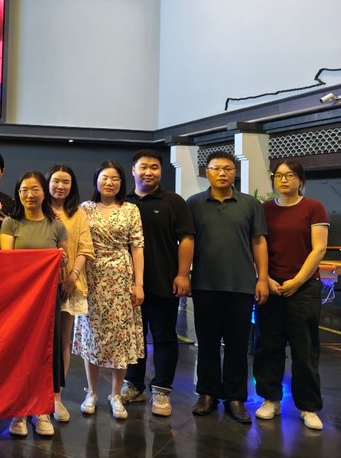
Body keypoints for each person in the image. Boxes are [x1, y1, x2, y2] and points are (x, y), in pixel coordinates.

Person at [186, 150, 268, 424]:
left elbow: (259, 242)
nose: (222, 173)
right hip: (205, 285)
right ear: (206, 172)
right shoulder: (194, 204)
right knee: (207, 343)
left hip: (241, 285)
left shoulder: (250, 204)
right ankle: (207, 393)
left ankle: (235, 397)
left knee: (237, 345)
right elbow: (186, 242)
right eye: (216, 168)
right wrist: (184, 275)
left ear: (235, 172)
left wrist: (263, 278)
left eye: (228, 168)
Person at [253, 159, 328, 431]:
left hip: (304, 288)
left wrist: (297, 281)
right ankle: (270, 399)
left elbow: (319, 249)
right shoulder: (264, 210)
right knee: (268, 346)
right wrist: (266, 279)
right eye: (278, 175)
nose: (283, 180)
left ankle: (309, 406)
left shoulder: (313, 207)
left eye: (289, 175)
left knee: (304, 349)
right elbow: (256, 246)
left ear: (300, 180)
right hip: (271, 287)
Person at [121, 150, 194, 417]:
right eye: (143, 167)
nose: (148, 172)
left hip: (164, 280)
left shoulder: (173, 202)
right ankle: (134, 385)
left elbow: (187, 238)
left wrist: (183, 274)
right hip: (128, 285)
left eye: (154, 167)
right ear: (133, 170)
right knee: (133, 337)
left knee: (164, 336)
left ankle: (162, 390)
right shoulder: (122, 202)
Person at [73, 160, 144, 421]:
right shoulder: (85, 208)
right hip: (92, 277)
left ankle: (115, 394)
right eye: (105, 177)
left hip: (121, 278)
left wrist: (139, 283)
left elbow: (137, 247)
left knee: (120, 337)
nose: (109, 182)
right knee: (92, 335)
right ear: (96, 180)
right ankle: (91, 392)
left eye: (115, 178)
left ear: (121, 182)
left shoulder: (130, 209)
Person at [0, 171, 68, 438]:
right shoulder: (10, 223)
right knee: (19, 351)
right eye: (24, 190)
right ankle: (18, 411)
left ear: (44, 192)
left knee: (46, 351)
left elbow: (63, 259)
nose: (29, 195)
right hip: (17, 299)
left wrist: (59, 260)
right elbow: (6, 262)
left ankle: (41, 410)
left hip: (48, 299)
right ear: (18, 194)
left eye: (35, 189)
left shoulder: (56, 225)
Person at [47, 164, 93, 423]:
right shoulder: (39, 209)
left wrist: (73, 276)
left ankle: (57, 396)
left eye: (66, 182)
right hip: (41, 286)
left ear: (72, 186)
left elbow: (85, 248)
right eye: (56, 181)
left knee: (63, 340)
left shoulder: (79, 214)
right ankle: (36, 394)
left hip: (69, 284)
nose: (60, 186)